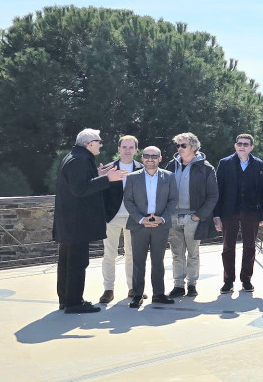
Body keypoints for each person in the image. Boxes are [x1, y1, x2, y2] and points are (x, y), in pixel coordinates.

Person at [53, 128, 126, 313]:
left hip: (70, 222)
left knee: (67, 262)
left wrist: (99, 176)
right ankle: (74, 303)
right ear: (90, 143)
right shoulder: (80, 160)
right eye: (99, 142)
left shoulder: (74, 157)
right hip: (77, 223)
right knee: (77, 263)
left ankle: (66, 300)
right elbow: (79, 189)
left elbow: (81, 184)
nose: (101, 145)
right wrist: (107, 179)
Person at [123, 146, 179, 308]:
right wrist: (141, 219)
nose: (150, 159)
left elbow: (173, 200)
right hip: (139, 225)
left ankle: (159, 294)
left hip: (160, 224)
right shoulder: (132, 177)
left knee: (158, 261)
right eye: (147, 156)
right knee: (138, 261)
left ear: (160, 158)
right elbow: (128, 200)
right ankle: (137, 294)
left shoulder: (169, 176)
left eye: (154, 156)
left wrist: (163, 218)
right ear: (142, 158)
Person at [166, 132, 219, 299]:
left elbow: (213, 195)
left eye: (183, 145)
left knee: (193, 253)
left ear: (194, 147)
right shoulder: (171, 165)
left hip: (192, 217)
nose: (179, 148)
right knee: (177, 254)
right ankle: (178, 285)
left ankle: (192, 285)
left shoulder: (206, 168)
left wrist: (199, 215)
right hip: (173, 217)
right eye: (178, 145)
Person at [214, 134, 263, 293]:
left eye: (246, 144)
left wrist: (262, 214)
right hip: (228, 211)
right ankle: (228, 281)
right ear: (235, 146)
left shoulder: (259, 164)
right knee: (228, 247)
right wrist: (216, 215)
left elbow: (262, 190)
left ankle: (246, 279)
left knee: (250, 246)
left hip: (251, 211)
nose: (242, 146)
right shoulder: (225, 163)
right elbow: (218, 190)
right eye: (240, 143)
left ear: (251, 147)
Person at [100, 135, 140, 304]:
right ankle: (108, 289)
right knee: (109, 254)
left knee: (132, 254)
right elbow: (100, 193)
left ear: (136, 150)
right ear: (118, 149)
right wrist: (101, 177)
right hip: (112, 217)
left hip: (133, 217)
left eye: (131, 147)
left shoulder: (142, 168)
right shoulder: (108, 169)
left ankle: (133, 288)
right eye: (124, 147)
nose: (127, 150)